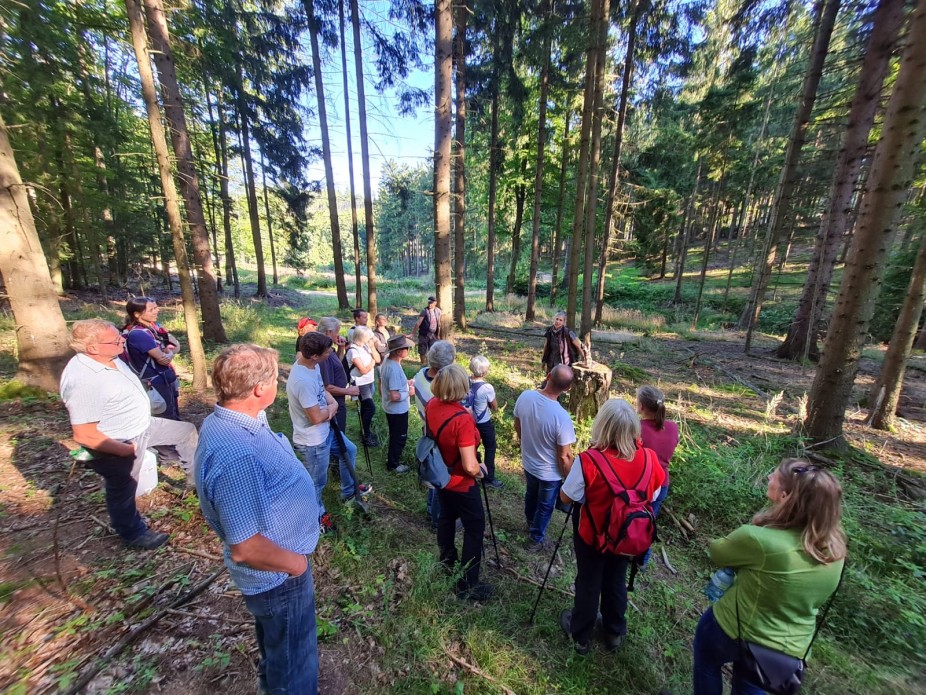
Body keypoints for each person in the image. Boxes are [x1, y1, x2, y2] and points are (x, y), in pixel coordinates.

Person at [195, 344, 320, 694]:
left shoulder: (236, 418)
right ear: (259, 389)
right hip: (277, 575)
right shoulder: (237, 454)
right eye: (275, 379)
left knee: (278, 648)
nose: (278, 384)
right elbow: (246, 547)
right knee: (294, 662)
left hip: (278, 570)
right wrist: (296, 565)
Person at [692, 459, 847, 695]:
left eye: (774, 476)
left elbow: (718, 552)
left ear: (785, 496)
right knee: (751, 687)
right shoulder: (835, 551)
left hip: (733, 627)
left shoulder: (758, 539)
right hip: (787, 649)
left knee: (706, 663)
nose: (768, 478)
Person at [60, 319, 199, 550]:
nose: (122, 341)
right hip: (119, 439)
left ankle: (195, 484)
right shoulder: (84, 380)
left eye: (120, 337)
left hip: (143, 425)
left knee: (186, 432)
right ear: (92, 347)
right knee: (124, 488)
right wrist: (124, 450)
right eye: (115, 340)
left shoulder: (109, 357)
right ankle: (132, 534)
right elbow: (84, 434)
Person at [558, 399, 666, 654]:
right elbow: (653, 494)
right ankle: (614, 631)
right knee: (616, 579)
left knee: (589, 581)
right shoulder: (649, 458)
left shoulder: (589, 460)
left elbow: (566, 497)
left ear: (602, 426)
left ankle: (581, 635)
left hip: (592, 535)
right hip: (627, 537)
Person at [426, 364, 492, 602]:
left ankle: (447, 560)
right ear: (462, 387)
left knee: (446, 517)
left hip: (441, 476)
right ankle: (468, 584)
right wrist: (481, 470)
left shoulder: (432, 405)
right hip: (462, 483)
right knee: (475, 527)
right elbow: (470, 465)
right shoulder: (462, 419)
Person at [513, 364, 576, 551]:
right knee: (545, 506)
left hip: (528, 462)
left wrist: (526, 443)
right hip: (550, 473)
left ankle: (530, 522)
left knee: (531, 494)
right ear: (567, 388)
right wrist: (570, 478)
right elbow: (564, 456)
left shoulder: (525, 396)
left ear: (548, 376)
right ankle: (535, 538)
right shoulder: (562, 418)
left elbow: (517, 424)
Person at [288, 333, 339, 535]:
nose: (331, 352)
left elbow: (320, 388)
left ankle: (349, 491)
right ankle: (316, 520)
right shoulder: (302, 381)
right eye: (327, 351)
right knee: (315, 484)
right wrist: (333, 408)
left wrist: (331, 400)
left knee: (349, 451)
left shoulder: (311, 366)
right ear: (315, 356)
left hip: (323, 433)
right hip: (313, 442)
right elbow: (316, 417)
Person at [316, 318, 369, 502]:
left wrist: (340, 349)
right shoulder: (322, 355)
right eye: (337, 332)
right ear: (328, 332)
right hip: (334, 405)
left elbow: (336, 365)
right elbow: (326, 386)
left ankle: (343, 476)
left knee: (342, 440)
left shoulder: (328, 350)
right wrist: (349, 391)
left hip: (338, 404)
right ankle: (339, 475)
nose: (339, 335)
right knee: (339, 441)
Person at [414, 341, 457, 528]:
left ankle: (431, 508)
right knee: (441, 475)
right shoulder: (441, 390)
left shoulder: (420, 375)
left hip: (428, 431)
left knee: (434, 471)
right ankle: (438, 519)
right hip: (440, 436)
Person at [122, 296, 181, 420]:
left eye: (156, 307)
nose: (157, 311)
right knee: (164, 418)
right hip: (154, 383)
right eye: (151, 309)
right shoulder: (138, 334)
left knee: (172, 413)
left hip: (163, 379)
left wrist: (167, 352)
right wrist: (168, 353)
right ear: (137, 314)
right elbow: (164, 359)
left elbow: (172, 349)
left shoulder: (152, 329)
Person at [637, 385, 678, 518]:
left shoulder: (636, 428)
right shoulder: (673, 428)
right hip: (662, 483)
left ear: (641, 406)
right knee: (648, 522)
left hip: (639, 484)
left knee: (632, 521)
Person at [380, 335, 416, 473]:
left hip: (391, 408)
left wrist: (405, 383)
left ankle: (392, 459)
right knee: (399, 437)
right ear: (398, 351)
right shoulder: (393, 368)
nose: (408, 350)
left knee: (395, 435)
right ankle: (393, 464)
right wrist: (409, 393)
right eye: (406, 348)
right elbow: (394, 396)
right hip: (397, 410)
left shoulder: (389, 362)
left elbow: (392, 384)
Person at [468, 355, 502, 490]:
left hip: (469, 421)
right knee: (490, 447)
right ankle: (488, 478)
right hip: (483, 423)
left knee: (471, 447)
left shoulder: (465, 381)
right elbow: (494, 406)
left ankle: (472, 472)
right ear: (484, 372)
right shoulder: (487, 387)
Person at [346, 326, 381, 446]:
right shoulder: (353, 351)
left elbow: (378, 359)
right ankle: (366, 435)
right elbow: (363, 370)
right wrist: (372, 361)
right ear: (362, 338)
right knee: (371, 408)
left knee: (365, 408)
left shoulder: (366, 346)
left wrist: (372, 348)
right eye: (369, 337)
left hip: (369, 381)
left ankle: (365, 431)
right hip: (360, 383)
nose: (371, 339)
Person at [541, 311, 586, 376]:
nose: (558, 321)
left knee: (561, 380)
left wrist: (584, 359)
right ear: (554, 319)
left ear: (564, 322)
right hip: (550, 363)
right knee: (549, 379)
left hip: (564, 364)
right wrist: (543, 361)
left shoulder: (568, 333)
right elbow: (546, 347)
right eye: (557, 319)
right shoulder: (549, 331)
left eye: (560, 320)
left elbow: (579, 346)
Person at [413, 296, 442, 365]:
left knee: (433, 350)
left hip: (433, 334)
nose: (429, 305)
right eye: (429, 303)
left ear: (435, 303)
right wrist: (413, 333)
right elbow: (418, 322)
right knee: (422, 350)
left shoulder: (438, 311)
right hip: (424, 334)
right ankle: (423, 364)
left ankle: (431, 364)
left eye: (431, 303)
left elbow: (439, 323)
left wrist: (438, 334)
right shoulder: (424, 311)